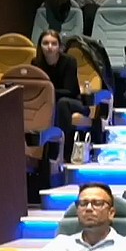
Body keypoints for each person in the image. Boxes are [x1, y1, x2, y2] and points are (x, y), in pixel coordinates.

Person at [32, 28, 92, 161]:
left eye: (54, 43)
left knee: (62, 103)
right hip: (48, 102)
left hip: (74, 102)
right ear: (40, 46)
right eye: (45, 43)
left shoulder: (69, 61)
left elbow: (70, 91)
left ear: (59, 47)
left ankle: (64, 151)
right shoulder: (35, 63)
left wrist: (47, 92)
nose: (49, 47)